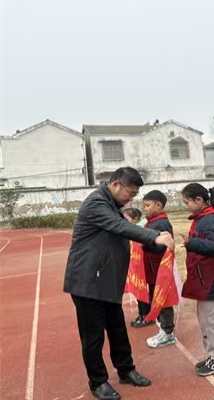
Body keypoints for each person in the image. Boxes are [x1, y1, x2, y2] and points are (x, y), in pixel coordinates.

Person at [64, 167, 174, 400]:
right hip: (87, 282)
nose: (132, 198)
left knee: (117, 329)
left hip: (106, 280)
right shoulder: (96, 204)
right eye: (130, 193)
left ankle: (126, 369)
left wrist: (154, 241)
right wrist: (154, 236)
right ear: (115, 185)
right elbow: (120, 227)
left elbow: (128, 232)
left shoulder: (114, 206)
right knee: (93, 337)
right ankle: (98, 382)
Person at [180, 183, 214, 377]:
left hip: (213, 281)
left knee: (212, 322)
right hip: (204, 280)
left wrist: (192, 243)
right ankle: (213, 355)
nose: (185, 206)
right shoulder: (201, 218)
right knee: (204, 321)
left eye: (186, 202)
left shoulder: (209, 219)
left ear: (198, 201)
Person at [141, 190, 177, 348]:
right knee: (157, 300)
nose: (145, 209)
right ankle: (163, 328)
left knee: (163, 301)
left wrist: (145, 243)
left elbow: (161, 247)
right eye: (144, 206)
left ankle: (167, 332)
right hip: (153, 270)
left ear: (158, 205)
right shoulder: (152, 222)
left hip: (159, 271)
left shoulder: (161, 224)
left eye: (148, 205)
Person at [123, 208, 155, 328]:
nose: (123, 221)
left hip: (140, 268)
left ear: (135, 220)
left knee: (142, 292)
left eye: (126, 219)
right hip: (133, 268)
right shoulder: (129, 232)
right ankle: (141, 314)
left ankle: (146, 316)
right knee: (137, 292)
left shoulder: (140, 232)